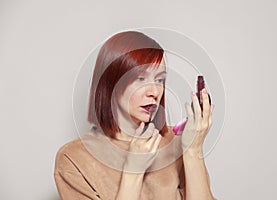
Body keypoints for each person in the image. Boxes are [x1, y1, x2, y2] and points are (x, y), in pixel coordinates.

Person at [54, 30, 216, 200]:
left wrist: (193, 150)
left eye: (159, 80)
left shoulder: (176, 142)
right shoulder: (73, 159)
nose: (154, 91)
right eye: (140, 78)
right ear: (111, 83)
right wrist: (133, 171)